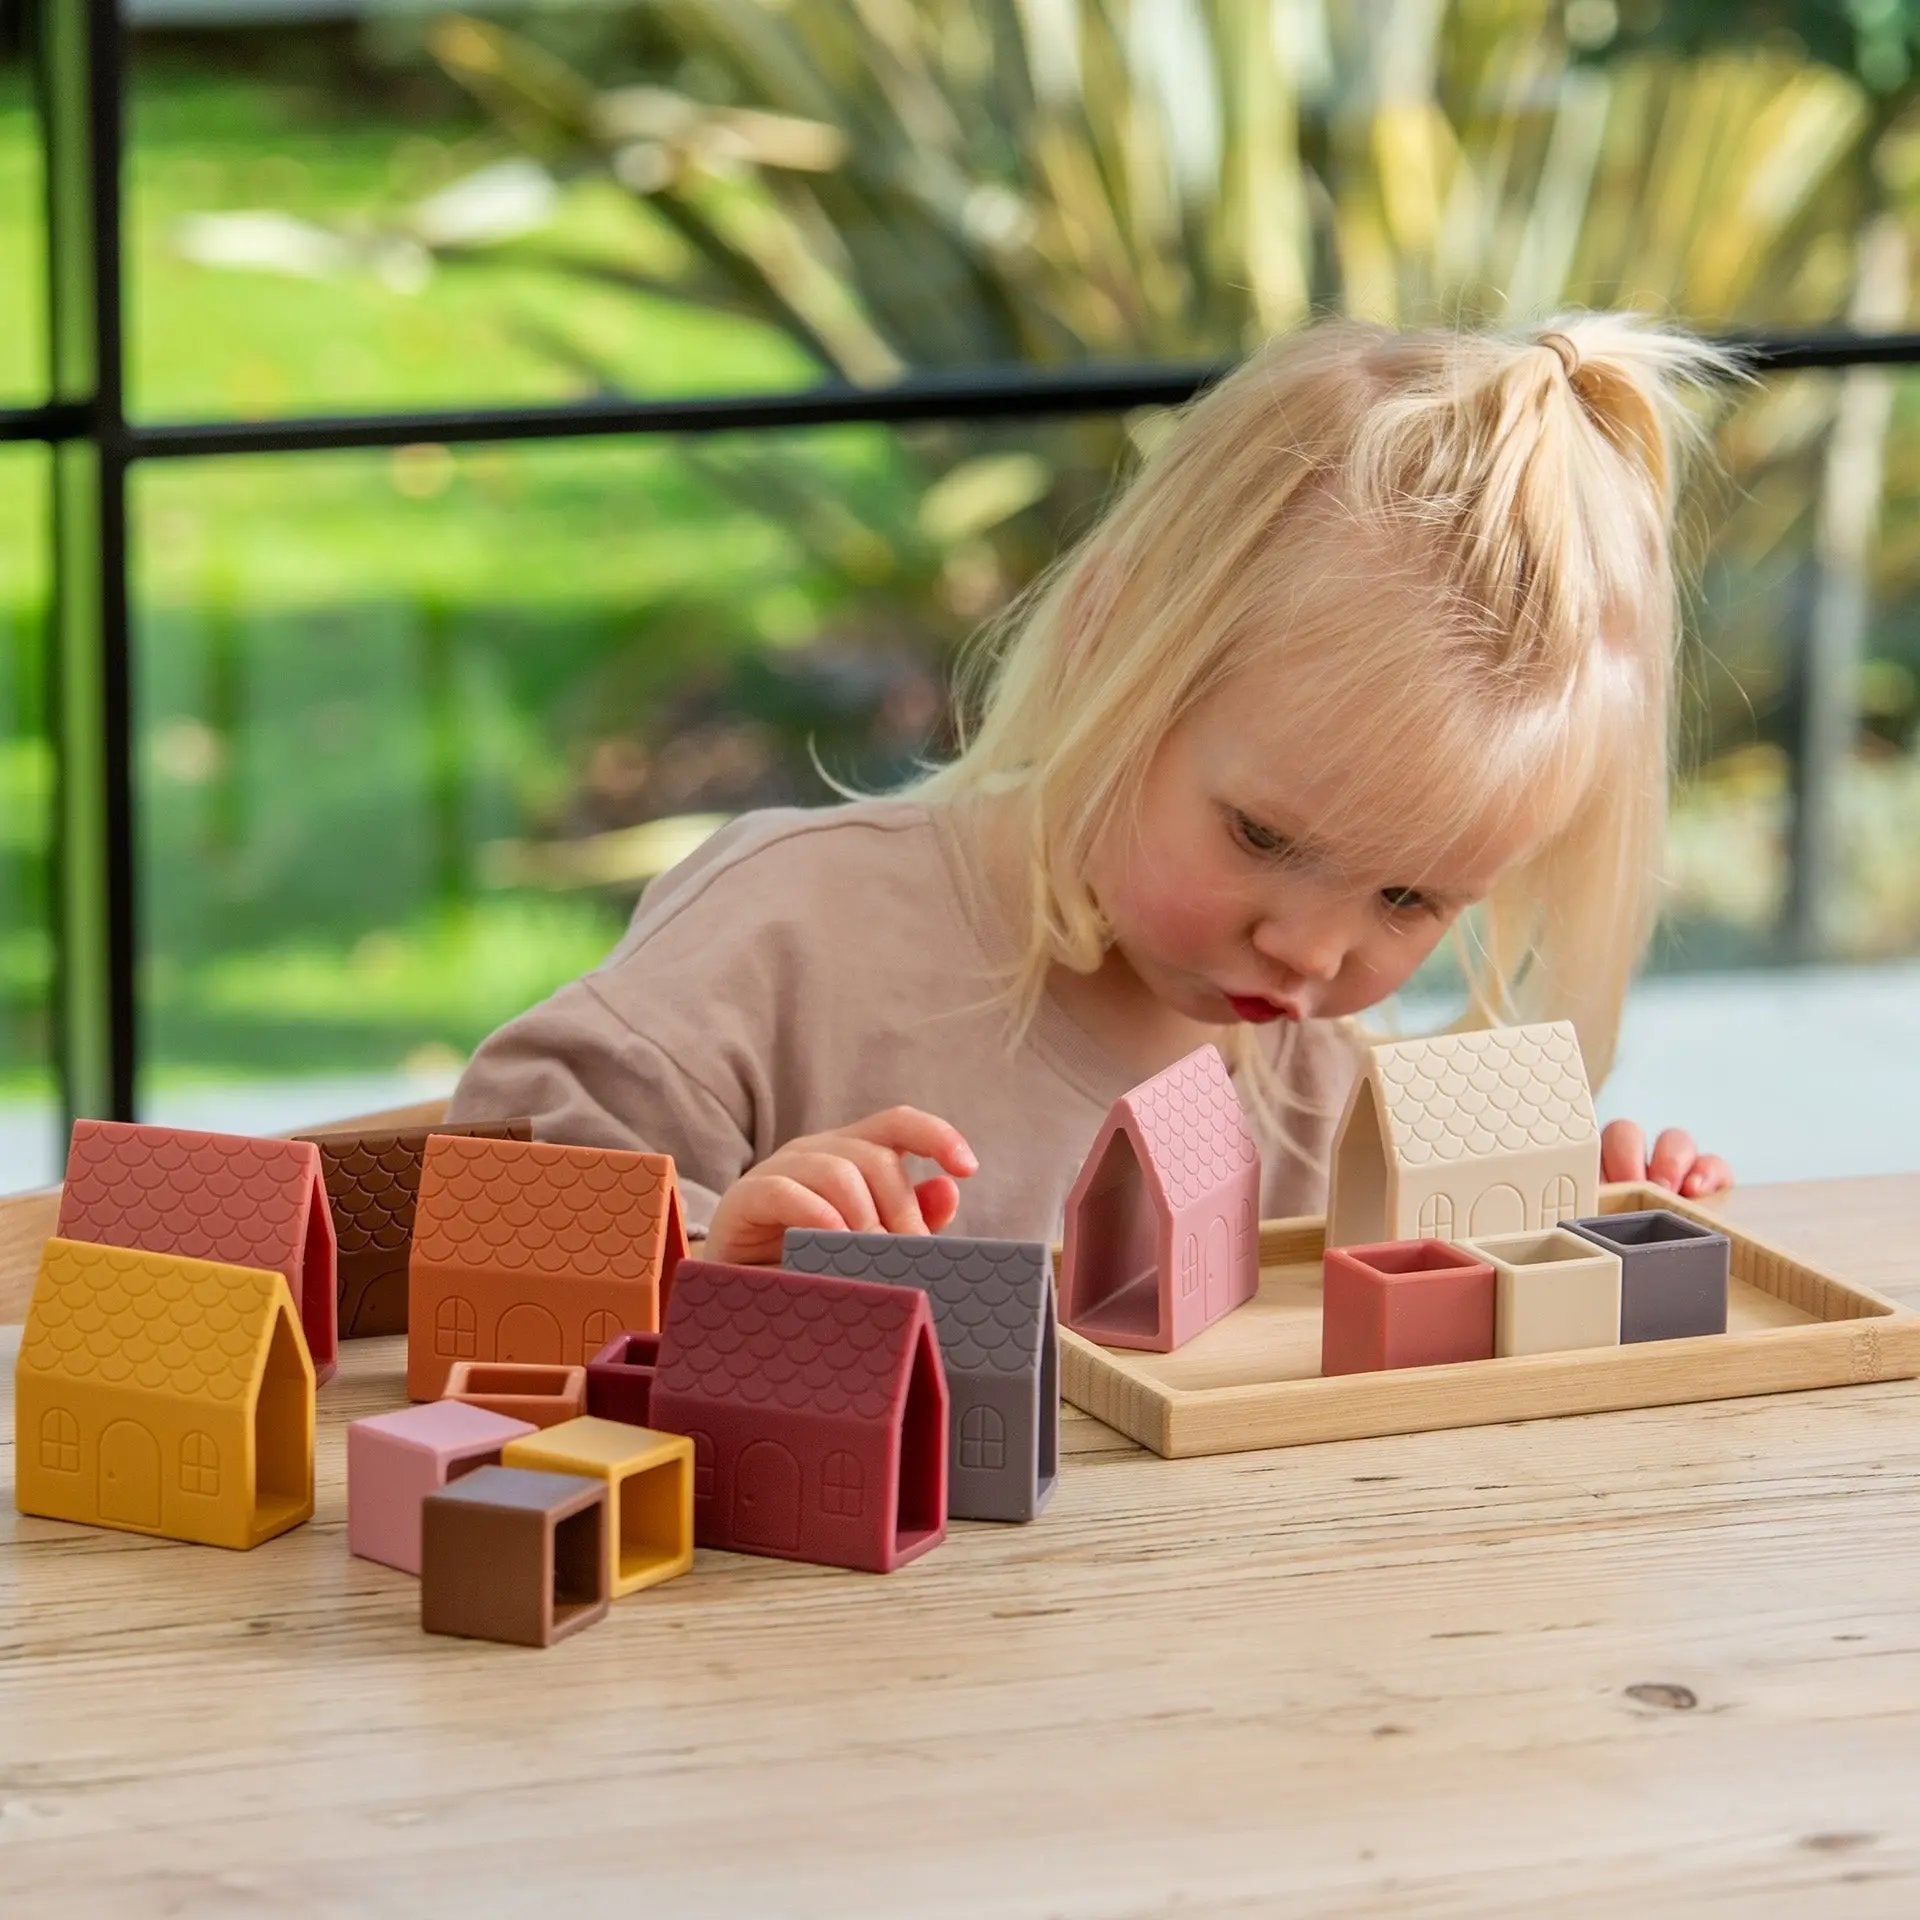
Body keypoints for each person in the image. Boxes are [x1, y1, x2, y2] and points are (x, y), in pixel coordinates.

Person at [447, 313, 1737, 1265]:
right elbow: (484, 1218)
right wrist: (716, 1258)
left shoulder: (1320, 1096)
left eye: (1410, 896)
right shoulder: (793, 934)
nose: (1311, 948)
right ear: (1115, 645)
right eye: (1264, 835)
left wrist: (1576, 1226)